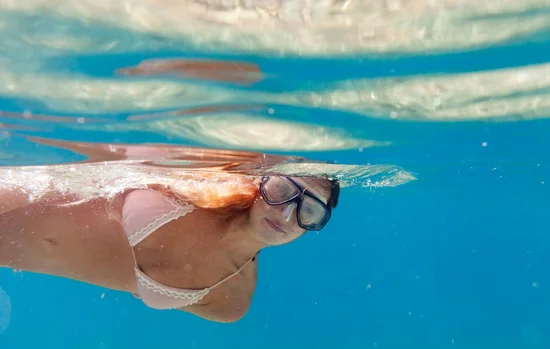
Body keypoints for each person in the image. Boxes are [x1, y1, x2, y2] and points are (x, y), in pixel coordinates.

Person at [0, 138, 340, 323]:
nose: (285, 213)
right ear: (263, 182)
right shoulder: (205, 186)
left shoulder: (230, 300)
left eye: (308, 211)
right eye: (281, 191)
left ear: (315, 225)